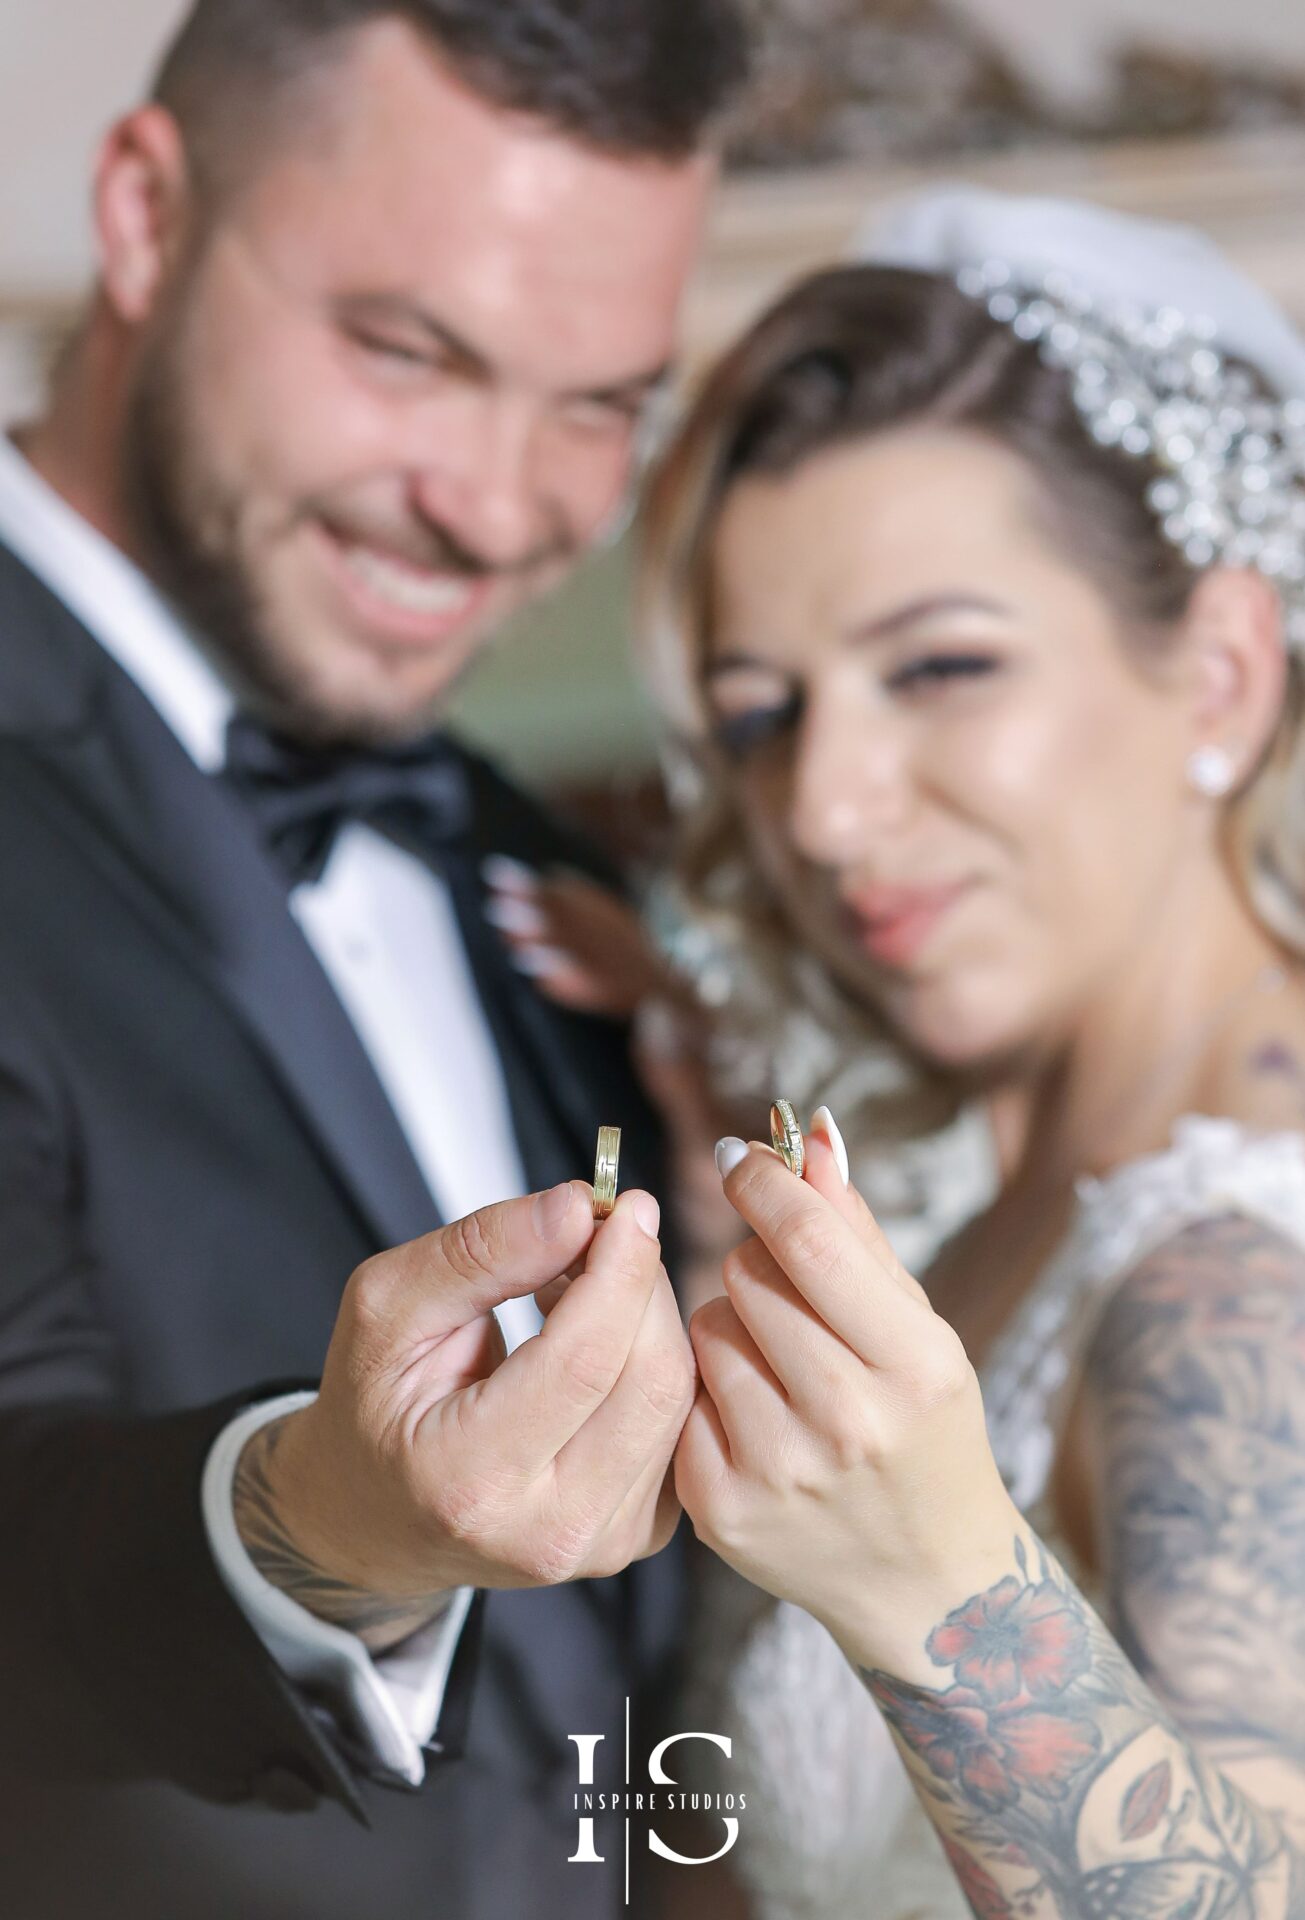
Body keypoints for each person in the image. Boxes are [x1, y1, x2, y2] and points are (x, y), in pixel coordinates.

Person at [0, 3, 749, 1917]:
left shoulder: (530, 861)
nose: (503, 511)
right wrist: (321, 1526)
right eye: (407, 351)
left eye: (599, 402)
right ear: (147, 217)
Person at [512, 187, 1305, 1916]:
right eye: (758, 715)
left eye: (939, 665)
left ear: (1225, 674)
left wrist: (938, 1590)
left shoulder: (1235, 1276)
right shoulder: (992, 1213)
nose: (822, 805)